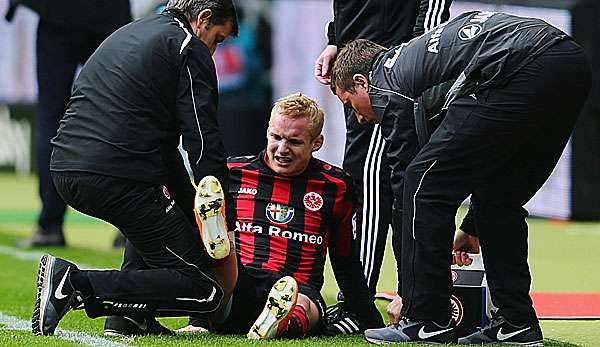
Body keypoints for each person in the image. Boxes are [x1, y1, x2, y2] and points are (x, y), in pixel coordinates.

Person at [331, 11, 591, 344]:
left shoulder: (387, 83)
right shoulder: (417, 67)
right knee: (499, 200)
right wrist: (471, 227)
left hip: (521, 65)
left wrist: (410, 295)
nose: (359, 118)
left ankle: (426, 320)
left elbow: (407, 192)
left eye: (350, 103)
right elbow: (480, 161)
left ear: (361, 83)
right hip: (570, 61)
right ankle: (516, 324)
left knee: (420, 188)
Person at [31, 0, 239, 336]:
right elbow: (201, 138)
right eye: (217, 38)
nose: (213, 51)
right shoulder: (188, 47)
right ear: (202, 19)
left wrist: (190, 206)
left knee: (152, 222)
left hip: (67, 167)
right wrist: (219, 212)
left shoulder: (133, 32)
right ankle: (76, 283)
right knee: (204, 289)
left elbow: (165, 152)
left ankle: (128, 318)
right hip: (119, 174)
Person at [171, 93, 384, 339]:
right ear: (267, 131)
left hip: (296, 287)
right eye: (276, 137)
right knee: (224, 265)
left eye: (294, 141)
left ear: (317, 143)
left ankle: (279, 322)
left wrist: (369, 317)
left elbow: (344, 258)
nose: (282, 149)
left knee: (302, 303)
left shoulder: (335, 186)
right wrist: (196, 322)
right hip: (241, 281)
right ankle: (216, 299)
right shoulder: (232, 173)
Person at [313, 0, 452, 329]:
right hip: (362, 67)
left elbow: (432, 10)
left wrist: (413, 63)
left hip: (389, 76)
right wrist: (337, 41)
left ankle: (361, 305)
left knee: (371, 185)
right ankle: (379, 299)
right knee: (364, 181)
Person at [8, 0, 131, 247]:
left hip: (59, 14)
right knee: (124, 117)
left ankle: (50, 224)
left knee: (51, 120)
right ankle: (130, 226)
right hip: (108, 17)